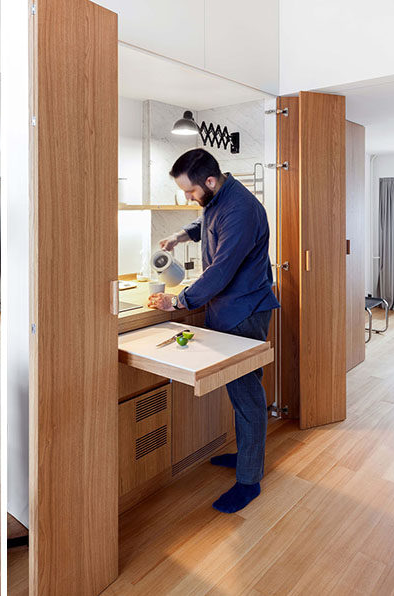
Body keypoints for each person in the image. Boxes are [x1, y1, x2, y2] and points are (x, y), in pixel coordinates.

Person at [147, 148, 280, 514]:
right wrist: (180, 236)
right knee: (240, 391)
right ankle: (246, 457)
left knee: (247, 392)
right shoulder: (221, 198)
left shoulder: (241, 209)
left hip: (244, 311)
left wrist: (178, 301)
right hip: (228, 310)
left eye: (190, 192)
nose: (189, 198)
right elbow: (208, 221)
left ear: (208, 180)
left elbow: (220, 271)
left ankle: (249, 481)